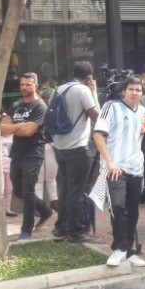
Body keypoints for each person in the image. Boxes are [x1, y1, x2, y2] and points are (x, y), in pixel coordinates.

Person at [92, 76, 145, 267]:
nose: (134, 93)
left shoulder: (142, 111)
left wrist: (137, 156)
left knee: (133, 210)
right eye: (131, 89)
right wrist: (109, 162)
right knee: (117, 206)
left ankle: (129, 250)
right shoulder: (111, 107)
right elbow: (98, 134)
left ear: (142, 94)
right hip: (115, 168)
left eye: (138, 90)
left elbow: (139, 135)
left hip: (135, 168)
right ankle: (119, 247)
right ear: (124, 91)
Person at [0, 72, 55, 240]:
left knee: (28, 190)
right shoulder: (15, 106)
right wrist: (21, 126)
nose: (24, 87)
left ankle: (26, 229)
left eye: (28, 85)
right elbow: (2, 129)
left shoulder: (40, 107)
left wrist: (15, 126)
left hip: (34, 153)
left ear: (36, 86)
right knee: (19, 190)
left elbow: (29, 131)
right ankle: (45, 211)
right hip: (17, 153)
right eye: (22, 84)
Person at [50, 61, 100, 243]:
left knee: (65, 188)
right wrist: (94, 92)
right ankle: (76, 232)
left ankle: (61, 228)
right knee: (76, 191)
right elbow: (97, 117)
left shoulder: (58, 89)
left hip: (60, 147)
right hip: (77, 147)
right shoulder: (83, 90)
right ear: (89, 78)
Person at [0, 129, 16, 217]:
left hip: (11, 166)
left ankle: (7, 208)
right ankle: (0, 208)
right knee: (0, 189)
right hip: (0, 167)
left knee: (9, 189)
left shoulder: (14, 136)